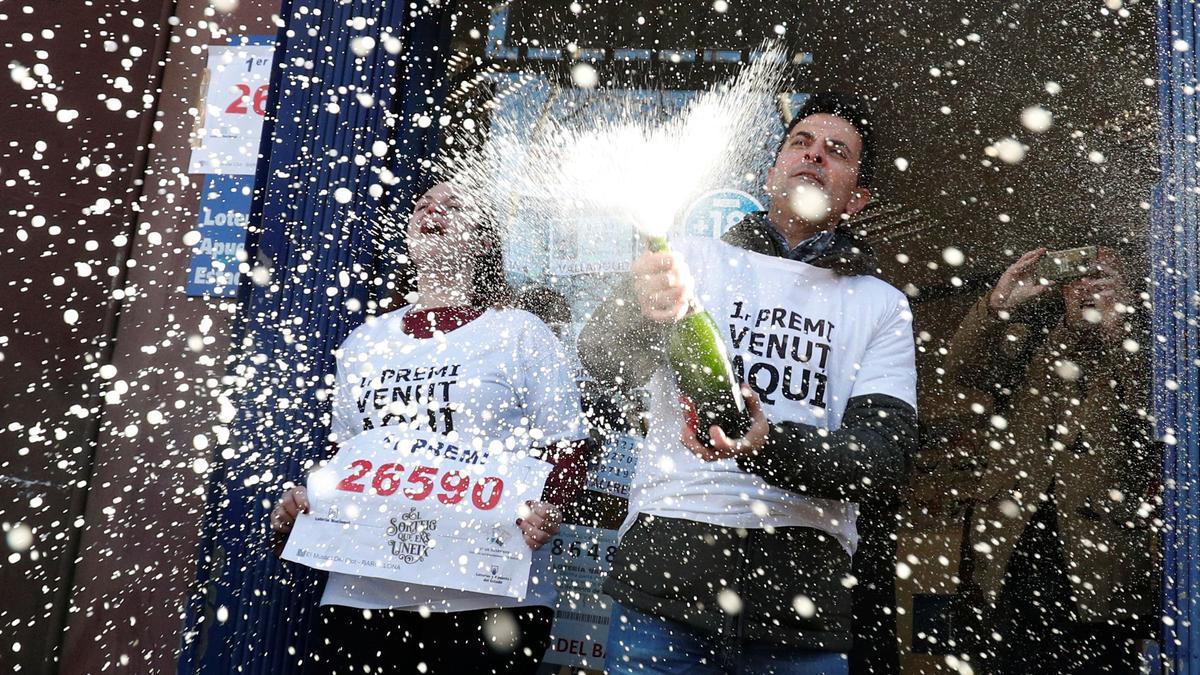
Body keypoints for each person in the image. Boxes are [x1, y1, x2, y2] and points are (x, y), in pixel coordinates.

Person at [578, 93, 918, 674]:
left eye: (837, 152)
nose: (814, 155)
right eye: (800, 143)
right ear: (770, 174)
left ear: (857, 198)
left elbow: (882, 459)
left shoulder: (881, 305)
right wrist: (637, 311)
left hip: (801, 592)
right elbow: (601, 357)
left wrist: (769, 446)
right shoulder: (689, 259)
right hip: (668, 566)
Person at [270, 182, 588, 674]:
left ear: (483, 241)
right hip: (363, 596)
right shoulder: (365, 342)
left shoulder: (519, 332)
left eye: (454, 206)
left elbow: (568, 446)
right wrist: (305, 503)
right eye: (423, 205)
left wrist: (548, 507)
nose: (433, 212)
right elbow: (347, 456)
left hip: (488, 600)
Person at [945, 247, 1157, 674]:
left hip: (1100, 563)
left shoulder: (1147, 351)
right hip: (1013, 551)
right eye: (1078, 275)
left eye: (1100, 276)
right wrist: (995, 306)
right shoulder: (1028, 343)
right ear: (1061, 288)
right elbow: (962, 368)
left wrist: (1120, 332)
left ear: (1124, 287)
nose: (1086, 287)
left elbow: (1154, 419)